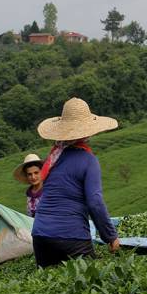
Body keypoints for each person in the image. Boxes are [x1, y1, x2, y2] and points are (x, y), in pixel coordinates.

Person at [31, 97, 121, 268]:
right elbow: (95, 202)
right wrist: (110, 236)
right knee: (91, 284)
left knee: (48, 288)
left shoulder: (53, 157)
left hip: (40, 234)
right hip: (71, 235)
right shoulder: (88, 160)